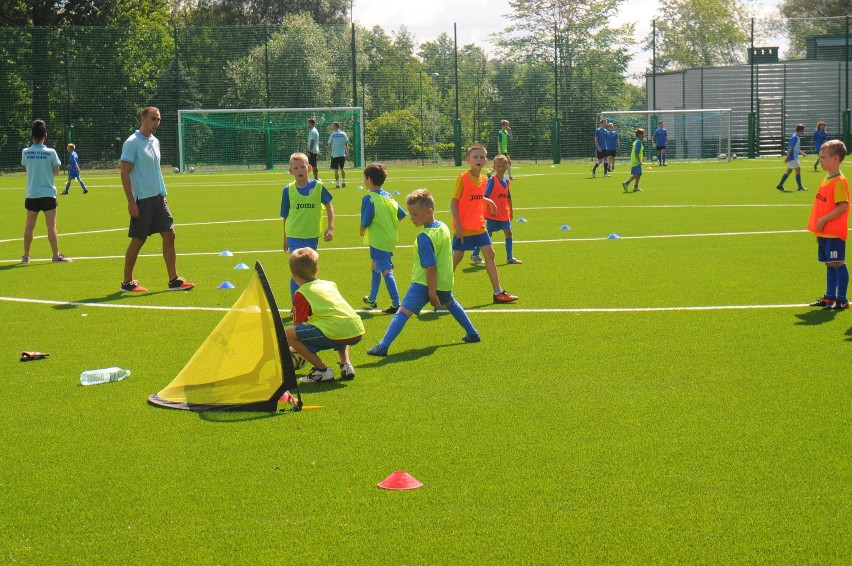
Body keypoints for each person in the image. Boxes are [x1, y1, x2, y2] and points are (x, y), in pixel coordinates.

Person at [367, 189, 480, 357]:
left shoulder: (424, 237)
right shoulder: (443, 227)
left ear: (429, 212)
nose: (412, 218)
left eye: (415, 214)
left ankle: (383, 346)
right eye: (411, 214)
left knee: (402, 312)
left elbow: (431, 267)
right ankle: (472, 333)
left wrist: (431, 293)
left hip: (424, 283)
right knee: (451, 303)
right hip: (445, 281)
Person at [119, 107, 193, 292]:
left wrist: (163, 193)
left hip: (158, 198)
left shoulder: (155, 141)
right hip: (141, 199)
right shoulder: (132, 143)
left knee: (170, 234)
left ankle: (173, 280)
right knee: (138, 239)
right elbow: (124, 173)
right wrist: (131, 201)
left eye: (158, 119)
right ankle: (127, 282)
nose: (156, 123)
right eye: (153, 119)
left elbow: (156, 171)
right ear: (143, 119)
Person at [450, 144, 518, 304]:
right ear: (468, 160)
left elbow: (479, 196)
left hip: (479, 226)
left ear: (486, 161)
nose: (479, 159)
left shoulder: (483, 179)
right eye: (475, 157)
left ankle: (498, 292)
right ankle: (443, 290)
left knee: (490, 255)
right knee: (457, 258)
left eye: (482, 157)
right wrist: (458, 226)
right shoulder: (463, 178)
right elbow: (454, 203)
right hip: (464, 228)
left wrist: (489, 202)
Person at [286, 247, 364, 382]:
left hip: (336, 330)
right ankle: (346, 364)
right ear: (317, 270)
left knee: (289, 333)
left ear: (293, 276)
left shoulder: (300, 294)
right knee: (338, 321)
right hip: (356, 329)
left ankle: (322, 370)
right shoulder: (329, 284)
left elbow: (296, 327)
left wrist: (294, 350)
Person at [281, 152, 334, 300]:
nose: (299, 170)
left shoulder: (318, 187)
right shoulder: (288, 190)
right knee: (297, 271)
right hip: (294, 236)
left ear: (309, 168)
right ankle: (295, 305)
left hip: (311, 236)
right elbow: (285, 216)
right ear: (291, 171)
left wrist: (330, 227)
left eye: (302, 167)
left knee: (309, 272)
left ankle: (310, 301)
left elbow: (329, 206)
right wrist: (285, 238)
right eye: (296, 168)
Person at [806, 140, 849, 310]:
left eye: (823, 157)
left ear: (835, 158)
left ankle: (842, 299)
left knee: (838, 262)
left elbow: (843, 206)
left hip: (834, 232)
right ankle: (830, 298)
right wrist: (818, 230)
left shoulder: (838, 181)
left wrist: (823, 220)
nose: (820, 160)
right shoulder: (826, 179)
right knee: (829, 264)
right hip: (825, 233)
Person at [20, 119, 71, 264]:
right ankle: (56, 256)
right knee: (51, 225)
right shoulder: (51, 152)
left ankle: (26, 256)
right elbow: (56, 172)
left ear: (32, 135)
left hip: (32, 193)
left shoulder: (26, 152)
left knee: (29, 225)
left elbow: (27, 167)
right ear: (45, 135)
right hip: (48, 193)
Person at [359, 162, 407, 314]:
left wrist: (361, 231)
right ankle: (372, 298)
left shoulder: (369, 198)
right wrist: (388, 225)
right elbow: (402, 214)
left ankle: (396, 303)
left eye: (364, 178)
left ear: (369, 179)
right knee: (375, 265)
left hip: (379, 240)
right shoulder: (388, 195)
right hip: (389, 238)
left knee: (386, 270)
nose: (363, 181)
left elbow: (365, 220)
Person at [470, 154, 522, 265]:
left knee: (508, 233)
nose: (501, 168)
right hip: (493, 214)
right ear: (494, 167)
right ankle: (475, 254)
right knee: (487, 235)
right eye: (498, 166)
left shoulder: (507, 181)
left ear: (507, 167)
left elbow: (508, 196)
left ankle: (509, 257)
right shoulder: (492, 180)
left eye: (503, 166)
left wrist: (511, 210)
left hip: (504, 214)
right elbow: (486, 196)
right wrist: (490, 207)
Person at [777, 124, 807, 192]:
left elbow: (796, 147)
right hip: (792, 157)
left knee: (788, 172)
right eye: (803, 130)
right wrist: (787, 157)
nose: (804, 132)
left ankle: (780, 185)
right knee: (798, 170)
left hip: (792, 157)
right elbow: (791, 147)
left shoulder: (795, 136)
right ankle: (800, 187)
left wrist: (802, 153)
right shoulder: (795, 137)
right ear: (801, 130)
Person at [327, 121, 350, 188]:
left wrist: (327, 151)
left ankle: (337, 184)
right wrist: (347, 152)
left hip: (335, 155)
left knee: (336, 170)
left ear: (335, 126)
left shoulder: (333, 135)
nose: (331, 127)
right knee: (342, 168)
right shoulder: (343, 134)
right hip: (342, 154)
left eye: (332, 126)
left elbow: (329, 144)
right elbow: (346, 144)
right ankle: (343, 182)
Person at [622, 129, 645, 193]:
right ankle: (626, 183)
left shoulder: (637, 141)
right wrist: (639, 161)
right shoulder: (638, 142)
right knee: (637, 174)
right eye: (643, 134)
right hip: (636, 161)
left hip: (635, 160)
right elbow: (636, 152)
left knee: (639, 174)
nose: (644, 135)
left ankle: (635, 187)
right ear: (640, 135)